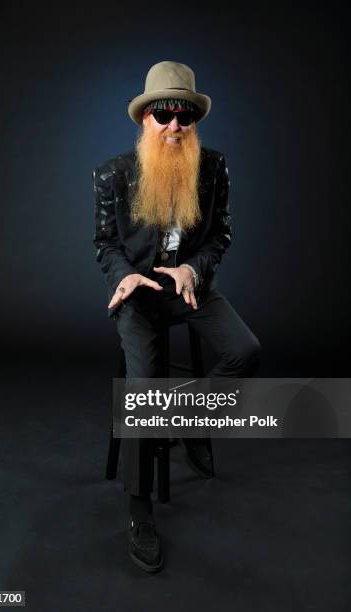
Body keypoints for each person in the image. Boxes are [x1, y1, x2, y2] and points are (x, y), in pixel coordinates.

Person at [93, 60, 261, 572]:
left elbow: (220, 235)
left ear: (194, 121)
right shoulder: (113, 174)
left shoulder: (213, 167)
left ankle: (189, 421)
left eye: (183, 115)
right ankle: (140, 508)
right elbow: (104, 243)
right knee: (144, 391)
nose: (174, 125)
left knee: (244, 351)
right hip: (139, 294)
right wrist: (122, 274)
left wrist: (192, 267)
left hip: (189, 287)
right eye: (163, 113)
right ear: (145, 118)